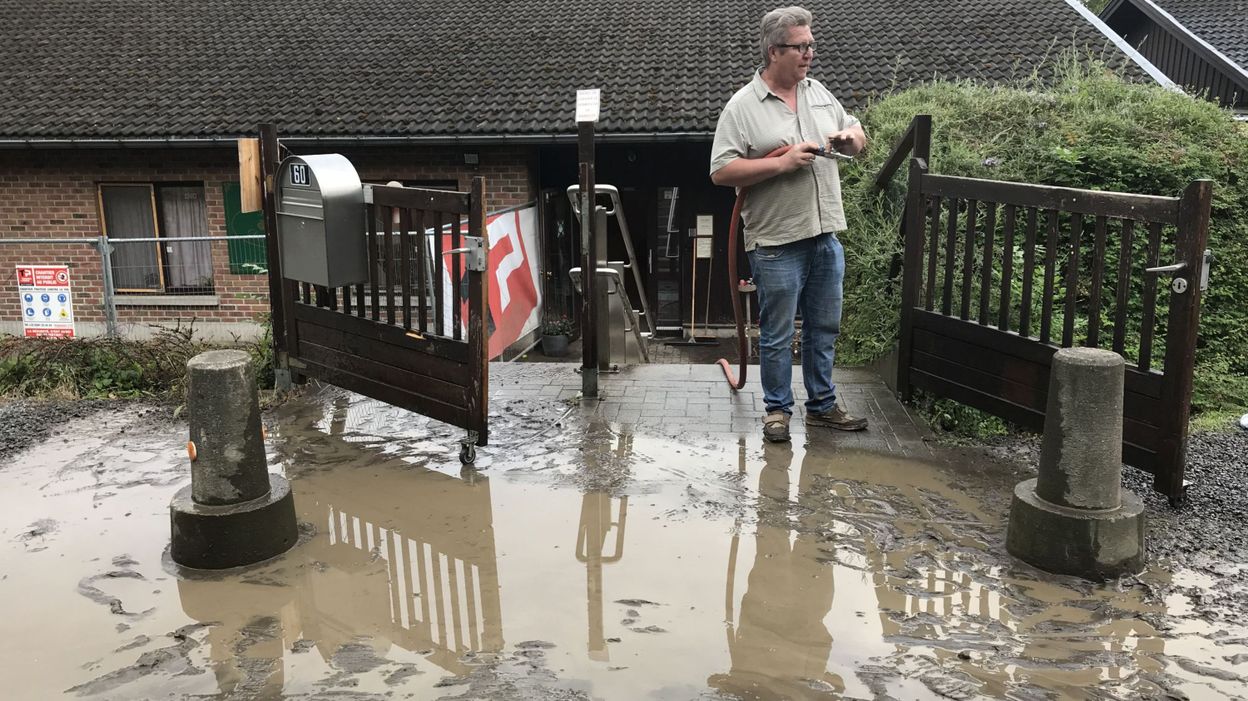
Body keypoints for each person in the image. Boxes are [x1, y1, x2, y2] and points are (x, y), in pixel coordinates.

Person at [710, 5, 869, 443]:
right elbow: (721, 171)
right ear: (773, 50)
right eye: (800, 47)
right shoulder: (743, 106)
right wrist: (780, 165)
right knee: (778, 333)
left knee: (824, 328)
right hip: (777, 241)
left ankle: (821, 407)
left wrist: (851, 139)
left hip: (825, 236)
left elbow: (857, 134)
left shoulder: (820, 93)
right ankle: (777, 411)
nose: (809, 54)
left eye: (811, 45)